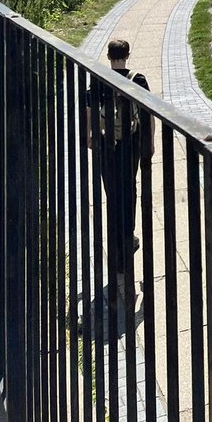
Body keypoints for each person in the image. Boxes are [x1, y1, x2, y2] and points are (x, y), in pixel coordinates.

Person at [87, 38, 154, 287]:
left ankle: (115, 241)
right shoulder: (137, 79)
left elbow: (89, 110)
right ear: (128, 54)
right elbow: (148, 113)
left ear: (108, 56)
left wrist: (90, 136)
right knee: (130, 188)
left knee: (111, 191)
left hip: (106, 144)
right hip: (130, 143)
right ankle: (129, 234)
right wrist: (150, 142)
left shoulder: (98, 79)